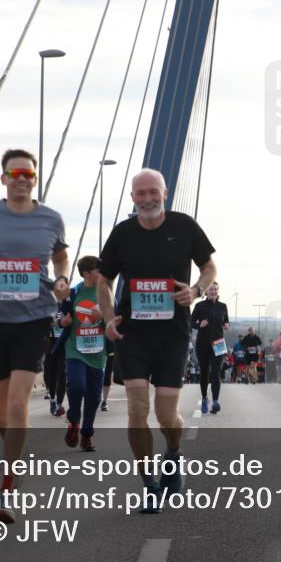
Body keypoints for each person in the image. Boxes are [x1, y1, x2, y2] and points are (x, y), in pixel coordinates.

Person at [99, 168, 217, 514]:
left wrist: (196, 290)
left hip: (172, 333)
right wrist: (108, 318)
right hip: (132, 332)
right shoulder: (122, 233)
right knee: (137, 410)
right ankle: (149, 485)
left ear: (165, 193)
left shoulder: (184, 226)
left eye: (153, 192)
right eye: (140, 194)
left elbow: (209, 267)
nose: (147, 199)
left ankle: (174, 453)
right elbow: (104, 281)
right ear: (132, 198)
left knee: (166, 414)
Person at [0, 149, 70, 522]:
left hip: (34, 318)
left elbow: (60, 257)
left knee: (16, 404)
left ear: (34, 178)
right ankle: (17, 455)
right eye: (15, 173)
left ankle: (7, 488)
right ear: (4, 178)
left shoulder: (51, 219)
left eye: (28, 173)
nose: (22, 178)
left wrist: (61, 279)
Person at [60, 256, 107, 452]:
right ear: (87, 273)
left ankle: (86, 435)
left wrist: (105, 315)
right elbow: (60, 316)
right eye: (98, 270)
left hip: (98, 352)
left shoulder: (106, 294)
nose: (102, 273)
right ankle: (73, 422)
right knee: (77, 386)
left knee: (94, 397)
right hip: (75, 349)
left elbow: (117, 318)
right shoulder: (73, 293)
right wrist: (63, 322)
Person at [191, 281, 230, 413]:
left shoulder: (223, 306)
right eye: (211, 289)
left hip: (218, 343)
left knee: (216, 373)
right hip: (203, 343)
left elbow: (226, 321)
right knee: (204, 373)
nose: (213, 291)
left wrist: (227, 326)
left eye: (215, 289)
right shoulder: (199, 306)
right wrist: (199, 325)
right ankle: (204, 398)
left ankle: (215, 402)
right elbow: (189, 322)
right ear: (206, 292)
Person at [44, 310, 67, 417]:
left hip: (64, 345)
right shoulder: (47, 303)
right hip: (50, 345)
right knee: (51, 376)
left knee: (62, 375)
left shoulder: (67, 304)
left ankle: (59, 404)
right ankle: (52, 399)